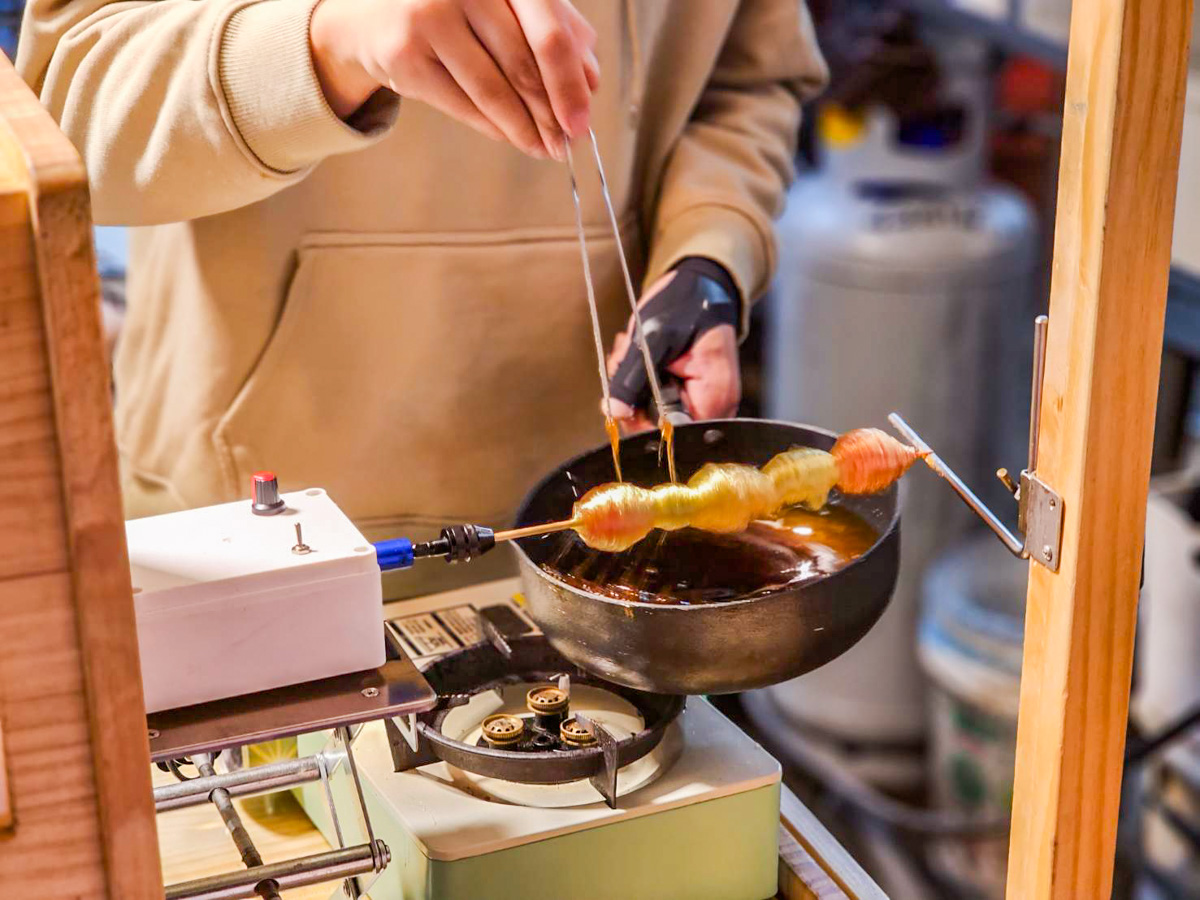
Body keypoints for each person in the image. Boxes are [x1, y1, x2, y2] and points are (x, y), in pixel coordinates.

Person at [17, 0, 827, 594]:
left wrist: (708, 254)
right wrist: (330, 45)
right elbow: (65, 109)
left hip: (620, 532)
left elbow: (744, 79)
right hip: (258, 548)